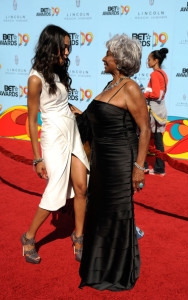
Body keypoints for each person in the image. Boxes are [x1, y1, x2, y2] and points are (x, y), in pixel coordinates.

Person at [71, 34, 151, 291]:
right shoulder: (109, 87)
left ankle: (117, 272)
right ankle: (99, 266)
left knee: (117, 214)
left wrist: (138, 168)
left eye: (107, 54)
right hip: (102, 162)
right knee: (100, 213)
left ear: (119, 59)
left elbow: (145, 130)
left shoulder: (130, 88)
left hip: (119, 162)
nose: (103, 58)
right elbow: (96, 122)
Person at [21, 25, 89, 264]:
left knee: (82, 187)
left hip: (72, 131)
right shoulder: (35, 78)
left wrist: (84, 114)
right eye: (64, 47)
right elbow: (31, 120)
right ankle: (29, 237)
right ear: (51, 47)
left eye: (69, 47)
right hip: (52, 137)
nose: (68, 52)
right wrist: (37, 158)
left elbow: (64, 105)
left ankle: (78, 236)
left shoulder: (58, 71)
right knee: (56, 192)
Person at [143, 48, 169, 176]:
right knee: (158, 140)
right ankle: (160, 169)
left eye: (149, 59)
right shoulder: (163, 74)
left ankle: (144, 166)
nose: (147, 61)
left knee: (143, 137)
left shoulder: (154, 74)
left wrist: (143, 94)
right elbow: (160, 94)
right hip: (161, 109)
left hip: (153, 111)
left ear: (155, 60)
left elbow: (155, 94)